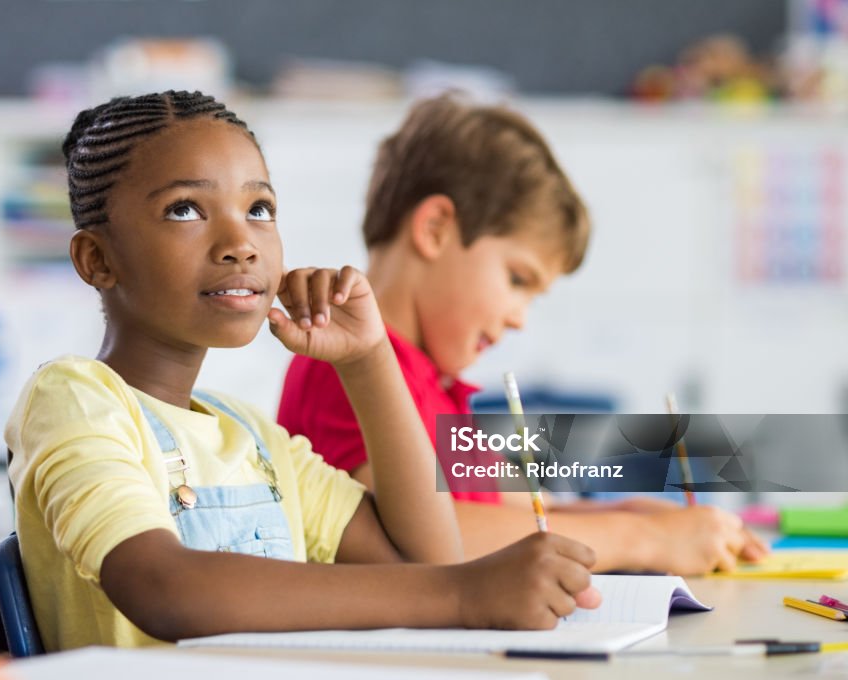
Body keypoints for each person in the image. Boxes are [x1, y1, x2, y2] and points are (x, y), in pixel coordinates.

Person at [4, 90, 601, 652]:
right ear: (97, 259)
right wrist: (466, 594)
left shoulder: (255, 439)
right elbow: (163, 587)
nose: (241, 243)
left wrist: (369, 361)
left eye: (259, 208)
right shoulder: (77, 399)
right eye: (185, 209)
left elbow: (426, 557)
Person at [277, 94, 768, 575]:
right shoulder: (351, 368)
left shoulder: (429, 381)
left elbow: (513, 515)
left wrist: (635, 518)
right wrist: (642, 541)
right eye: (517, 279)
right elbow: (423, 542)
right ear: (435, 230)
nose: (519, 318)